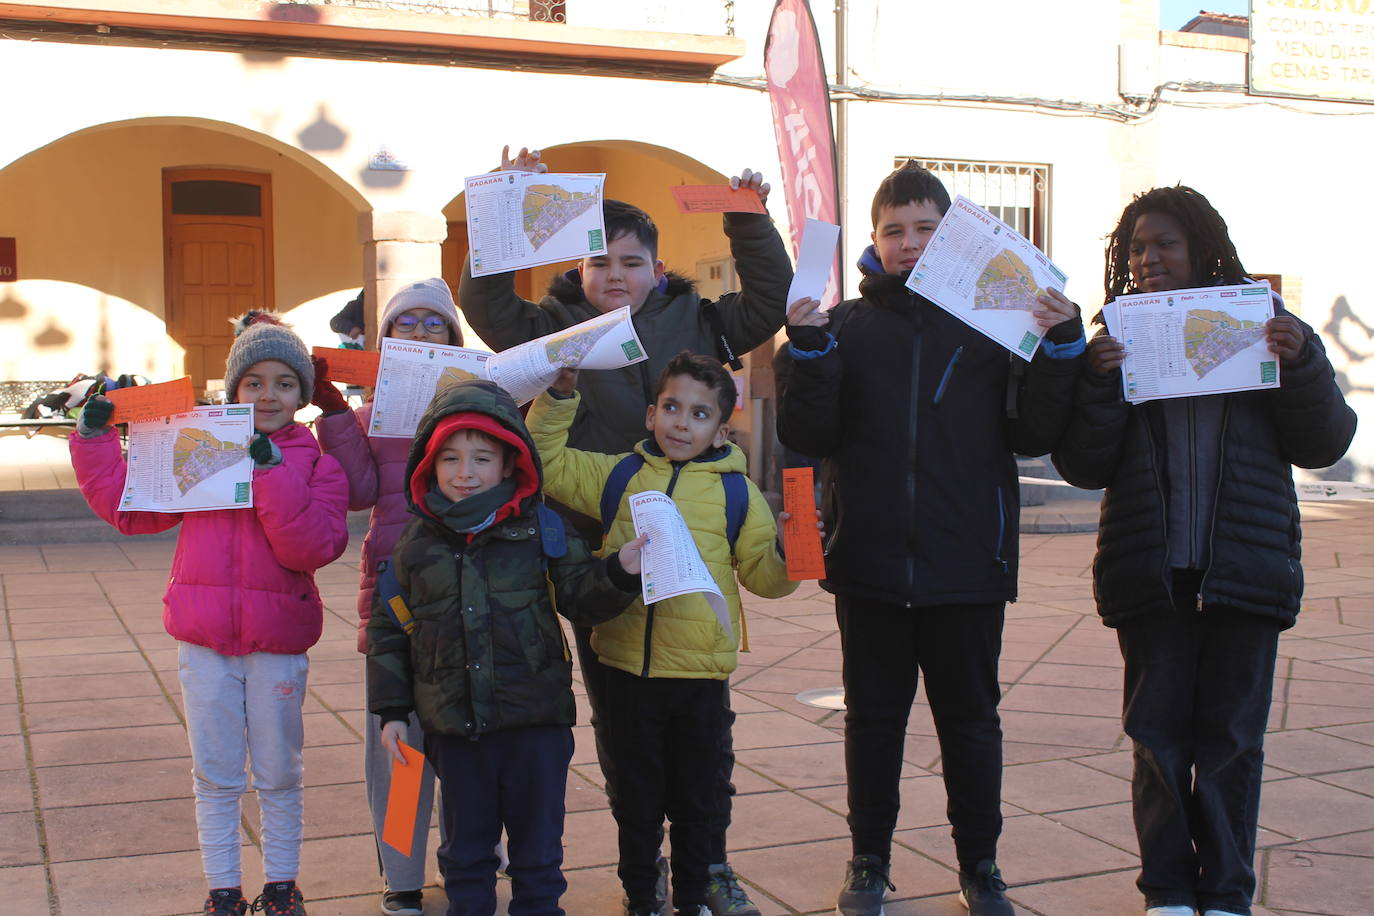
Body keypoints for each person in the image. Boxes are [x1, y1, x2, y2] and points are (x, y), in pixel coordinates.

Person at [460, 145, 793, 916]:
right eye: (599, 261)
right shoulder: (552, 326)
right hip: (597, 545)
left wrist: (749, 220)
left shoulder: (703, 319)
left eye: (632, 261)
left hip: (697, 536)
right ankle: (641, 867)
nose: (615, 274)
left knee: (704, 728)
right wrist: (511, 205)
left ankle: (706, 865)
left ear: (656, 266)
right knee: (621, 714)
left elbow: (769, 297)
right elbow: (486, 307)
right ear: (579, 269)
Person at [774, 161, 1085, 916]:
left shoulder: (995, 323)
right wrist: (807, 351)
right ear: (874, 243)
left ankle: (980, 866)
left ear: (952, 237)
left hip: (968, 566)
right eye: (894, 230)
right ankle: (869, 862)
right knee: (873, 724)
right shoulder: (844, 327)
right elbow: (806, 433)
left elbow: (1033, 429)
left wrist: (1062, 343)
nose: (910, 242)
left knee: (971, 726)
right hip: (871, 565)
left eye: (926, 228)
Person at [1051, 185, 1356, 916]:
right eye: (1136, 250)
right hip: (1151, 573)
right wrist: (1095, 384)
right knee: (1157, 742)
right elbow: (1084, 466)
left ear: (1202, 249)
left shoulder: (1263, 327)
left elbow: (1327, 443)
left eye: (1165, 244)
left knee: (1230, 744)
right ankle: (1168, 893)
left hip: (1243, 572)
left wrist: (1304, 360)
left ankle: (1224, 893)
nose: (1149, 260)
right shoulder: (1117, 343)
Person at [69, 312, 350, 916]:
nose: (268, 395)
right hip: (203, 641)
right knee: (216, 773)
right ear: (233, 390)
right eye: (253, 382)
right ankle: (223, 889)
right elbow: (131, 510)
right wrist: (94, 439)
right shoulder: (194, 447)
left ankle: (282, 885)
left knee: (278, 772)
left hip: (276, 645)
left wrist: (269, 471)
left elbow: (313, 547)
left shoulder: (317, 464)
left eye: (283, 382)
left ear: (302, 395)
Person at [525, 352, 798, 916]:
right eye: (671, 407)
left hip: (699, 679)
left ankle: (694, 897)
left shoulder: (737, 496)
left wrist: (792, 554)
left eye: (699, 414)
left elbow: (767, 582)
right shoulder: (618, 475)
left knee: (698, 802)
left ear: (722, 429)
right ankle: (641, 896)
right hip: (626, 669)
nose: (681, 423)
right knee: (636, 802)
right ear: (651, 414)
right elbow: (544, 461)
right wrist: (557, 399)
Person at [366, 378, 647, 916]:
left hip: (535, 727)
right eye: (449, 459)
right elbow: (389, 629)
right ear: (428, 464)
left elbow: (582, 598)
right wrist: (392, 711)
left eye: (481, 458)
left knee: (538, 852)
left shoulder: (542, 528)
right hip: (456, 729)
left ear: (509, 462)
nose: (464, 473)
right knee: (465, 851)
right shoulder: (416, 542)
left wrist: (619, 571)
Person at [313, 277, 467, 916]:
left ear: (455, 342)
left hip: (468, 586)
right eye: (409, 324)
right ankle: (402, 876)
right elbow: (354, 492)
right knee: (400, 739)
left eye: (437, 326)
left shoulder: (475, 404)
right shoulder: (370, 414)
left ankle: (471, 859)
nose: (422, 335)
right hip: (396, 593)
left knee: (470, 735)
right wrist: (334, 418)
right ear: (386, 339)